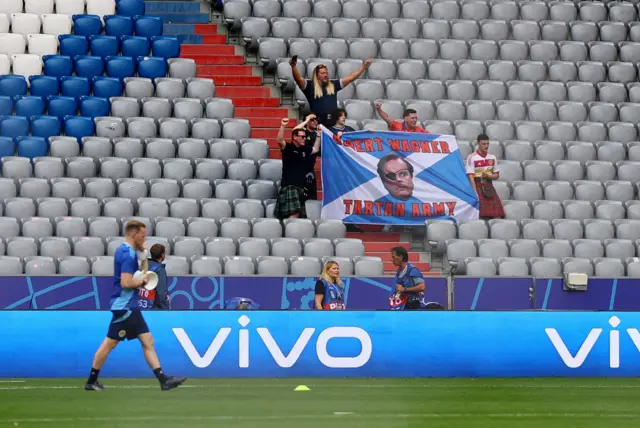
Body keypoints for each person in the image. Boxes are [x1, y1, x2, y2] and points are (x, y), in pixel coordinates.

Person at [84, 220, 186, 391]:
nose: (144, 238)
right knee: (110, 343)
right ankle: (91, 380)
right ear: (134, 234)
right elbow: (126, 282)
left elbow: (143, 273)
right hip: (125, 306)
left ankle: (163, 380)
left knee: (147, 341)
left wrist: (144, 255)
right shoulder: (128, 254)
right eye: (143, 235)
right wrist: (141, 282)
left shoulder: (127, 251)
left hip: (129, 305)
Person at [291, 57, 372, 127]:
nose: (326, 75)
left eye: (326, 73)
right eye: (322, 73)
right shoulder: (309, 86)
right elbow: (298, 79)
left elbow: (351, 78)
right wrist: (293, 66)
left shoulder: (333, 84)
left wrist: (364, 66)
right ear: (316, 75)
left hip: (333, 124)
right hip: (317, 124)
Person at [274, 117, 320, 219]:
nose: (304, 139)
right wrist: (283, 126)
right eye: (302, 137)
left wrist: (319, 135)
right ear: (295, 137)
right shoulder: (288, 148)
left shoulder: (304, 149)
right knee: (294, 214)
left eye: (305, 137)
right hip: (290, 186)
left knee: (299, 216)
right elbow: (279, 140)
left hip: (300, 187)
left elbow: (316, 149)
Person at [466, 133, 505, 220]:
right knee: (480, 215)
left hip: (489, 187)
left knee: (497, 215)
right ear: (478, 143)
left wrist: (489, 176)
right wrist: (475, 192)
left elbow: (497, 175)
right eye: (484, 144)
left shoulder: (492, 157)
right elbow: (470, 176)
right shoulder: (472, 157)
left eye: (487, 144)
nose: (486, 146)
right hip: (477, 185)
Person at [388, 246, 426, 311]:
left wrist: (405, 289)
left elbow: (422, 287)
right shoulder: (399, 272)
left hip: (411, 308)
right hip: (400, 307)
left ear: (401, 257)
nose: (392, 260)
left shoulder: (412, 270)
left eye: (393, 257)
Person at [293, 113, 319, 201]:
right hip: (298, 169)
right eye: (312, 119)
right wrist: (307, 120)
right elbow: (294, 131)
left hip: (310, 170)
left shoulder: (318, 135)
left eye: (316, 119)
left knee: (312, 198)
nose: (315, 121)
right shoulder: (302, 133)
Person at [147, 244, 170, 310]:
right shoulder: (160, 270)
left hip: (142, 307)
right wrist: (166, 309)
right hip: (155, 310)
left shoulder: (144, 266)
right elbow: (161, 293)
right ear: (162, 254)